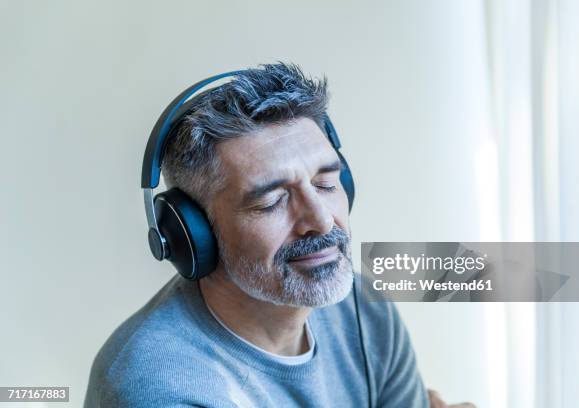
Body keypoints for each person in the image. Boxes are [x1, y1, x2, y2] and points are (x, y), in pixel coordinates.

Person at [84, 63, 474, 408]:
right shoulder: (159, 388)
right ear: (192, 234)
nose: (321, 222)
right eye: (272, 201)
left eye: (326, 183)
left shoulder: (365, 309)